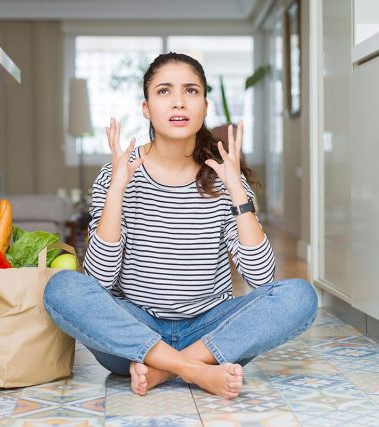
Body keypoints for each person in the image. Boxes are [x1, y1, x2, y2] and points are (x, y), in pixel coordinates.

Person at [43, 52, 318, 399]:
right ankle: (193, 371)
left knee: (300, 296)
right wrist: (116, 191)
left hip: (210, 332)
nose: (178, 102)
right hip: (135, 333)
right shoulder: (117, 173)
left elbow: (261, 279)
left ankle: (165, 368)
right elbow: (99, 281)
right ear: (146, 108)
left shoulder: (224, 175)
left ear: (204, 106)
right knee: (62, 288)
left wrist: (236, 190)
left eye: (190, 91)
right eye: (163, 91)